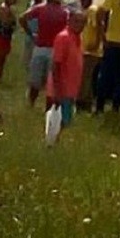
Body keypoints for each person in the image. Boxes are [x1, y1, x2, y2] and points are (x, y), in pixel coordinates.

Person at [19, 0, 68, 107]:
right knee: (51, 81)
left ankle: (31, 103)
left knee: (35, 79)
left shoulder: (40, 8)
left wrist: (30, 33)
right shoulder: (64, 13)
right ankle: (48, 108)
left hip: (40, 46)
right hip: (56, 49)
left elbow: (22, 18)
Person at [45, 10, 86, 142]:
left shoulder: (78, 38)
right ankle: (51, 146)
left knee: (65, 122)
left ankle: (56, 144)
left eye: (82, 22)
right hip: (61, 90)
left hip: (70, 90)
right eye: (76, 21)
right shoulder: (64, 37)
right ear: (69, 20)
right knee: (55, 123)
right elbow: (56, 64)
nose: (79, 25)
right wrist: (57, 90)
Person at [76, 0, 103, 113]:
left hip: (91, 50)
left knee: (85, 77)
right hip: (84, 48)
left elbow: (98, 27)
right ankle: (84, 101)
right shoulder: (84, 11)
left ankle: (83, 102)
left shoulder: (92, 11)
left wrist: (96, 44)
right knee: (84, 76)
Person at [22, 0, 44, 70]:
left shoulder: (42, 6)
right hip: (29, 34)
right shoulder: (30, 3)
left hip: (36, 36)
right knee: (27, 60)